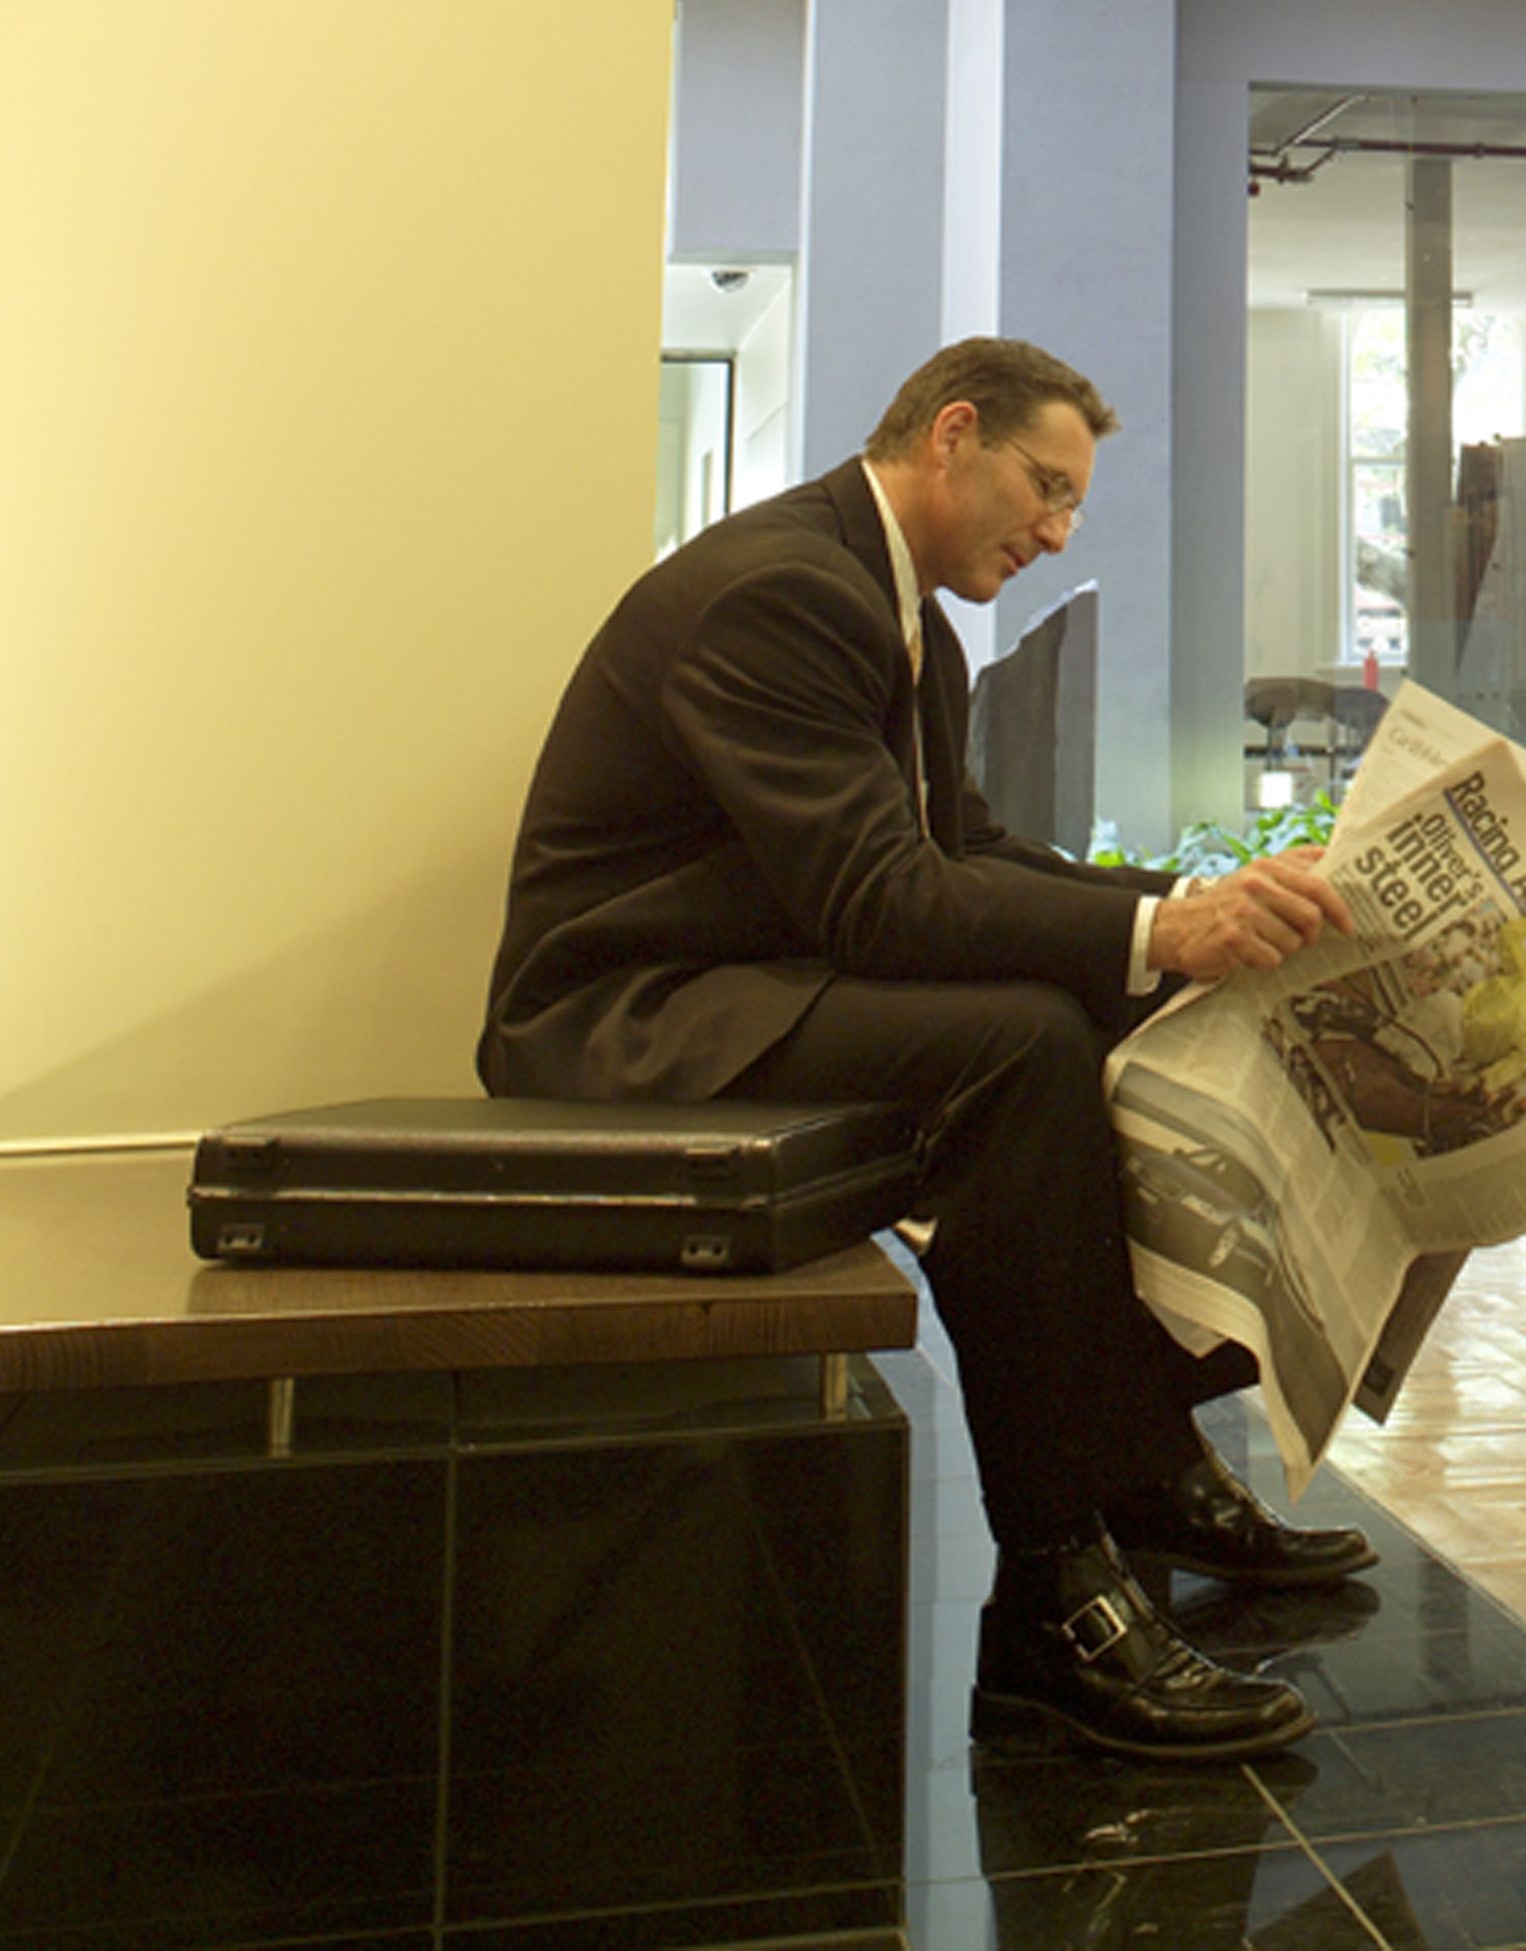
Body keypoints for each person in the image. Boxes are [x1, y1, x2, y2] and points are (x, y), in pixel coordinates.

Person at [482, 338, 1370, 1765]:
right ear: (952, 434)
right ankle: (1053, 1598)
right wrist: (1162, 930)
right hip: (630, 1014)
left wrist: (1192, 914)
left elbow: (964, 851)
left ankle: (1147, 1466)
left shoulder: (900, 615)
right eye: (1045, 486)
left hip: (757, 978)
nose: (1059, 531)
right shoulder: (784, 592)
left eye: (1075, 504)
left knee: (1134, 1002)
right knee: (1019, 1046)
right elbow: (880, 900)